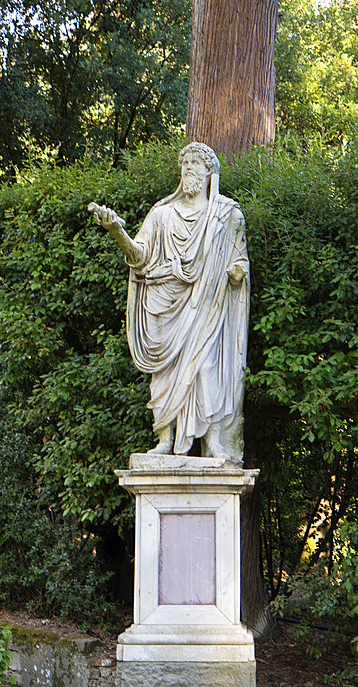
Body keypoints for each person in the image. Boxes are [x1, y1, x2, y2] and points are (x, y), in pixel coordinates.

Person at [89, 142, 249, 462]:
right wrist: (118, 230)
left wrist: (236, 272)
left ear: (209, 172)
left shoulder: (226, 214)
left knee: (206, 367)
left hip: (208, 303)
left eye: (197, 162)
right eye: (185, 162)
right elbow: (139, 256)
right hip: (164, 302)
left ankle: (214, 440)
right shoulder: (161, 214)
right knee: (164, 372)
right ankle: (164, 435)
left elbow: (240, 260)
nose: (189, 167)